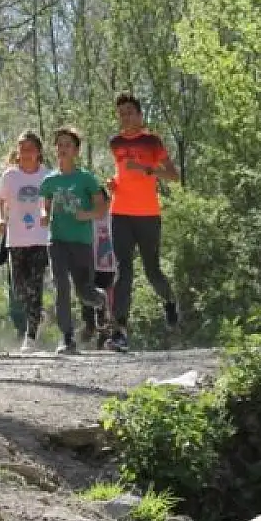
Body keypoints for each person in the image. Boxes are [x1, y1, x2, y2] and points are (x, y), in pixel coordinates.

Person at [105, 93, 179, 352]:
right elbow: (121, 173)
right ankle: (119, 331)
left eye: (130, 112)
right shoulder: (115, 143)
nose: (125, 117)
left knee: (152, 271)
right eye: (121, 113)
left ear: (139, 115)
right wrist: (113, 183)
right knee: (123, 271)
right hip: (120, 213)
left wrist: (147, 169)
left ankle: (170, 300)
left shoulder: (152, 141)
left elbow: (173, 175)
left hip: (148, 215)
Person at [39, 127, 107, 355]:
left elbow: (101, 208)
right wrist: (44, 215)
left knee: (84, 292)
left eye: (68, 145)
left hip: (81, 242)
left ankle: (100, 300)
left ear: (76, 151)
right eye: (59, 144)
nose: (63, 148)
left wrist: (86, 215)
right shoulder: (49, 181)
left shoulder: (86, 179)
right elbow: (45, 205)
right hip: (57, 241)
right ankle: (67, 337)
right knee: (61, 286)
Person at [0, 130, 50, 353]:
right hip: (15, 239)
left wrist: (46, 213)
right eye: (22, 149)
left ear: (38, 152)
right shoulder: (10, 176)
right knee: (19, 290)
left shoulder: (46, 175)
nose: (26, 153)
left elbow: (48, 202)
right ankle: (38, 315)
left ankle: (31, 336)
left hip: (39, 238)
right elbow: (0, 202)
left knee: (35, 287)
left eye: (30, 149)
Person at [85, 210, 117, 348]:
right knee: (90, 296)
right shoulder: (90, 216)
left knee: (108, 301)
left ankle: (105, 333)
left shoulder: (114, 217)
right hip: (92, 265)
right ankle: (90, 326)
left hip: (110, 265)